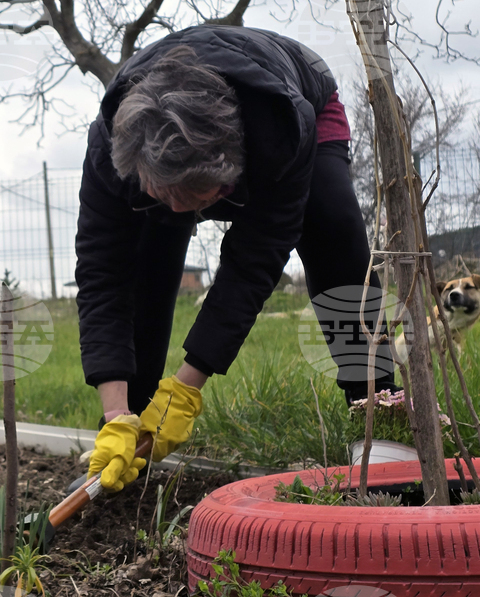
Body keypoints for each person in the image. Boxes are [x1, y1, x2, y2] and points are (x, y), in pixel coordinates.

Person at [76, 25, 399, 491]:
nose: (181, 210)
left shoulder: (279, 129)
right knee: (146, 267)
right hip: (170, 149)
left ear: (230, 167)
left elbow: (253, 262)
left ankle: (379, 414)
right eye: (164, 195)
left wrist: (188, 386)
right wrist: (115, 410)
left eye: (193, 197)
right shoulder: (111, 153)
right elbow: (102, 274)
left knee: (334, 229)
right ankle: (129, 439)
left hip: (301, 92)